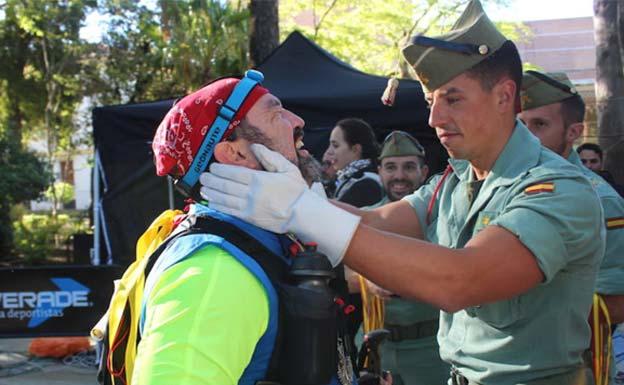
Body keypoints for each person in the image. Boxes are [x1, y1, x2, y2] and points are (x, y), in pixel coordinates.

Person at [199, 1, 606, 384]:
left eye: (453, 99)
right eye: (431, 100)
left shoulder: (558, 189)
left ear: (503, 96)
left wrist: (304, 212)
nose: (434, 117)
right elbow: (378, 221)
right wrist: (300, 198)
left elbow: (463, 280)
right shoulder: (458, 179)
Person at [98, 70, 367, 385]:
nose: (297, 121)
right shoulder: (214, 268)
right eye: (276, 112)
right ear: (235, 152)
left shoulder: (261, 242)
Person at [518, 70, 624, 383]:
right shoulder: (506, 185)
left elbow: (617, 301)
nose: (525, 137)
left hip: (568, 367)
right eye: (520, 125)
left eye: (539, 125)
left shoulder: (600, 198)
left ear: (573, 132)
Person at [362, 131, 448, 385]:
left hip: (430, 349)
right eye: (391, 167)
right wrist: (368, 279)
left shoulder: (441, 220)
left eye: (409, 167)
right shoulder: (367, 217)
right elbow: (347, 275)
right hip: (377, 346)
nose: (399, 176)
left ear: (424, 172)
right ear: (379, 171)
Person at [323, 118, 383, 207]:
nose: (329, 152)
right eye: (330, 145)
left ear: (356, 149)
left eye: (335, 145)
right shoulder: (350, 179)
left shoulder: (367, 185)